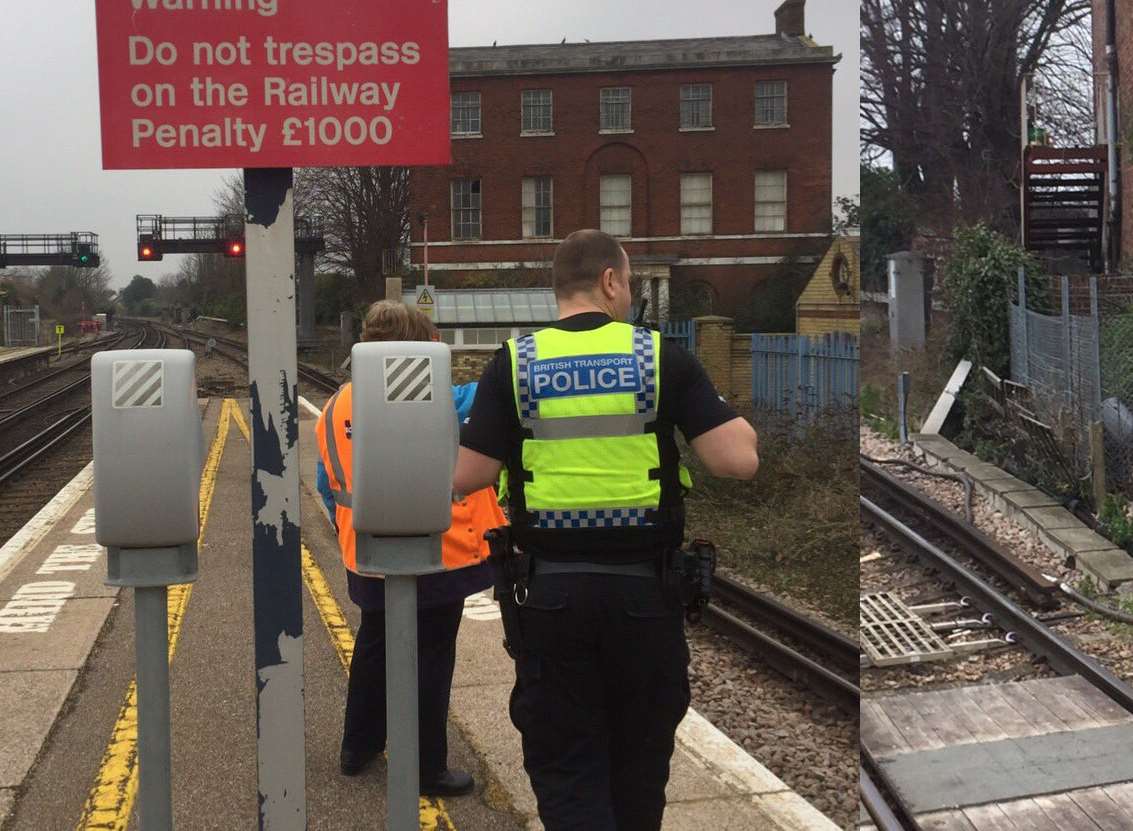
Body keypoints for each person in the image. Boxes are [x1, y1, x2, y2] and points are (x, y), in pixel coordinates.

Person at [453, 229, 759, 830]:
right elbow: (737, 460)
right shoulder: (658, 356)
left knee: (567, 770)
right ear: (611, 281)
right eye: (628, 285)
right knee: (640, 770)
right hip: (646, 599)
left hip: (550, 600)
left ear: (557, 289)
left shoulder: (515, 364)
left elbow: (468, 477)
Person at [315, 300, 505, 796]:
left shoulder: (337, 405)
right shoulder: (445, 397)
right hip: (439, 553)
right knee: (431, 658)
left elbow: (324, 482)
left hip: (369, 553)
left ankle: (357, 747)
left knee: (375, 647)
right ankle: (427, 767)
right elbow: (491, 403)